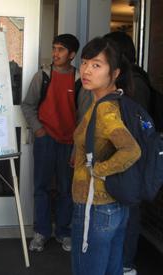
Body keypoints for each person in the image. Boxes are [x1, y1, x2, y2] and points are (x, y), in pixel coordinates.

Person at [71, 37, 141, 275]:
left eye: (96, 65)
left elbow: (131, 150)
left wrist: (97, 171)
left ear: (115, 72)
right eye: (84, 62)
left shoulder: (105, 111)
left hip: (96, 206)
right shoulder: (111, 102)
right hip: (113, 206)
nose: (86, 70)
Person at [21, 34, 80, 252]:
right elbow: (27, 105)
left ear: (72, 55)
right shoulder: (43, 76)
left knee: (67, 189)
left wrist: (77, 145)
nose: (55, 53)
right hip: (46, 140)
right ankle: (41, 232)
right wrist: (39, 130)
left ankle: (64, 232)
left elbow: (83, 116)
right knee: (42, 187)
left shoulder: (80, 80)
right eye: (54, 48)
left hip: (68, 143)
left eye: (61, 50)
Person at [103, 31, 152, 275]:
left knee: (129, 211)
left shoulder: (136, 84)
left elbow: (136, 130)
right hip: (122, 158)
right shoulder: (123, 81)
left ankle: (126, 265)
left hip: (133, 159)